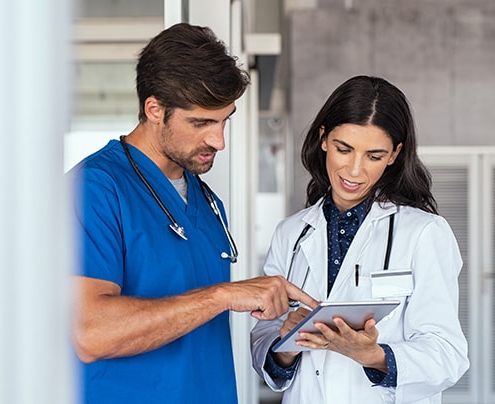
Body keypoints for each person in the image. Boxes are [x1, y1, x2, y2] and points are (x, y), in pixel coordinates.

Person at [68, 23, 317, 404]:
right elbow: (90, 333)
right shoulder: (94, 189)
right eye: (201, 123)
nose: (218, 141)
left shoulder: (207, 202)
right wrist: (221, 296)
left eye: (224, 120)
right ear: (154, 109)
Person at [250, 75, 469, 403]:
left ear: (394, 154)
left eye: (374, 156)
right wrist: (286, 343)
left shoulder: (425, 233)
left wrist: (375, 356)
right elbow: (262, 339)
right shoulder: (291, 233)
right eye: (344, 149)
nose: (354, 170)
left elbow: (448, 355)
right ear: (324, 139)